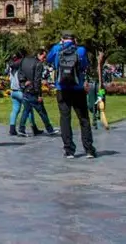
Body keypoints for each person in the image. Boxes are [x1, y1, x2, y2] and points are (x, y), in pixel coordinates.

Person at [47, 31, 96, 159]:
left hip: (62, 88)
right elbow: (85, 65)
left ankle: (69, 150)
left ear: (62, 39)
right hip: (77, 87)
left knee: (65, 118)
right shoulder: (81, 50)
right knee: (83, 119)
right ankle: (89, 149)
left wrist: (59, 45)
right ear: (74, 39)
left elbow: (48, 59)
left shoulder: (57, 49)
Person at [16, 49, 57, 137]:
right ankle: (49, 129)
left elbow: (20, 74)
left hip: (26, 90)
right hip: (33, 91)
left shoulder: (24, 61)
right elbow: (37, 80)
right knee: (42, 111)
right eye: (44, 56)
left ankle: (21, 129)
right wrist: (39, 95)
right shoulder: (38, 64)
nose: (44, 59)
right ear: (39, 54)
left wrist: (23, 84)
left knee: (26, 110)